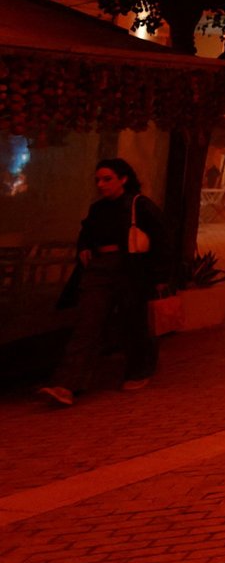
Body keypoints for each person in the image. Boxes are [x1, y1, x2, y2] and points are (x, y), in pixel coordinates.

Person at [37, 158, 169, 407]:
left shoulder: (139, 205)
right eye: (98, 180)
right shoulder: (98, 209)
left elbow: (161, 239)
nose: (101, 184)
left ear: (123, 179)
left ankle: (139, 370)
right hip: (99, 269)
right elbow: (86, 233)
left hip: (130, 269)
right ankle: (67, 384)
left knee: (134, 321)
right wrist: (85, 247)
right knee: (87, 324)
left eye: (107, 179)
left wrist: (161, 277)